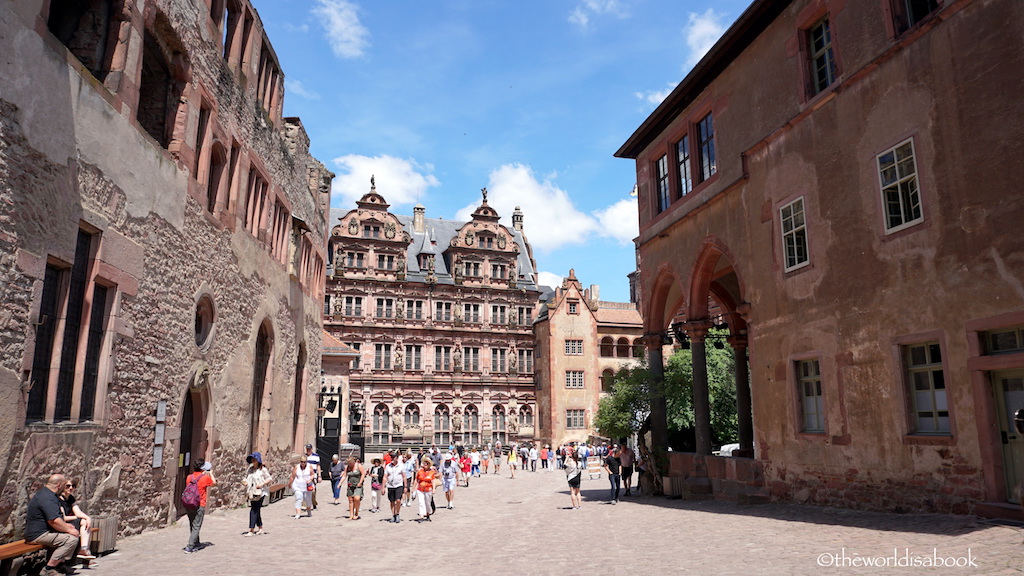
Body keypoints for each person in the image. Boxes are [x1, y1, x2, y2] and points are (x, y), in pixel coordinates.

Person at [26, 474, 80, 575]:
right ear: (59, 486)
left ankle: (60, 565)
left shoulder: (47, 494)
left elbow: (57, 519)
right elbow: (54, 521)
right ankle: (48, 569)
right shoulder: (47, 498)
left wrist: (67, 526)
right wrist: (69, 530)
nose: (65, 488)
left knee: (71, 533)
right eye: (65, 485)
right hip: (38, 534)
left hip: (45, 531)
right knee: (71, 539)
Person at [184, 459, 217, 553]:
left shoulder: (189, 477)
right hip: (199, 504)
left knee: (192, 523)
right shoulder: (204, 478)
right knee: (197, 525)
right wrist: (210, 473)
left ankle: (196, 543)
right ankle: (190, 546)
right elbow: (214, 483)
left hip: (189, 503)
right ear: (203, 468)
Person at [59, 479, 95, 561]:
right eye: (68, 486)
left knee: (86, 523)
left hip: (70, 522)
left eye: (73, 486)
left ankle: (84, 549)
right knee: (84, 523)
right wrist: (78, 517)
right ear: (63, 487)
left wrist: (87, 518)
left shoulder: (70, 498)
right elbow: (63, 517)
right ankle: (85, 555)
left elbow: (77, 512)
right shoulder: (58, 499)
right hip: (62, 524)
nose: (70, 488)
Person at [242, 452, 272, 536]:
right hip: (252, 491)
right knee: (256, 510)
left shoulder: (263, 470)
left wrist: (261, 484)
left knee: (253, 510)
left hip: (261, 492)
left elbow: (269, 478)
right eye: (252, 459)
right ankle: (260, 528)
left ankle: (251, 530)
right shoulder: (250, 469)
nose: (253, 461)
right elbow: (246, 477)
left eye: (254, 459)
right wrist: (244, 482)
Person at [383, 454, 406, 523]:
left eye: (394, 457)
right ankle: (393, 515)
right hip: (390, 485)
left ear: (397, 458)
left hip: (399, 485)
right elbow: (385, 477)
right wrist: (383, 487)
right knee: (392, 501)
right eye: (391, 457)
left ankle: (397, 513)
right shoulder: (388, 466)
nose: (392, 459)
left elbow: (404, 476)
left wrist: (405, 486)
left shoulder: (401, 465)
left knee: (398, 500)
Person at [415, 457, 438, 522]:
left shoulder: (431, 472)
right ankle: (421, 516)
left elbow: (433, 480)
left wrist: (434, 489)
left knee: (427, 503)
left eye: (427, 463)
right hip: (420, 489)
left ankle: (427, 514)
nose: (425, 464)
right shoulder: (420, 471)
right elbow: (416, 479)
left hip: (428, 489)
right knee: (421, 502)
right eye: (424, 463)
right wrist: (414, 488)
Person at [304, 444, 321, 509]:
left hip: (314, 476)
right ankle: (306, 505)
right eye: (307, 449)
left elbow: (318, 466)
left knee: (313, 491)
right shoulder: (304, 456)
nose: (308, 450)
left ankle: (314, 502)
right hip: (306, 476)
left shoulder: (316, 456)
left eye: (309, 449)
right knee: (305, 490)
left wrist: (319, 476)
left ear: (311, 449)